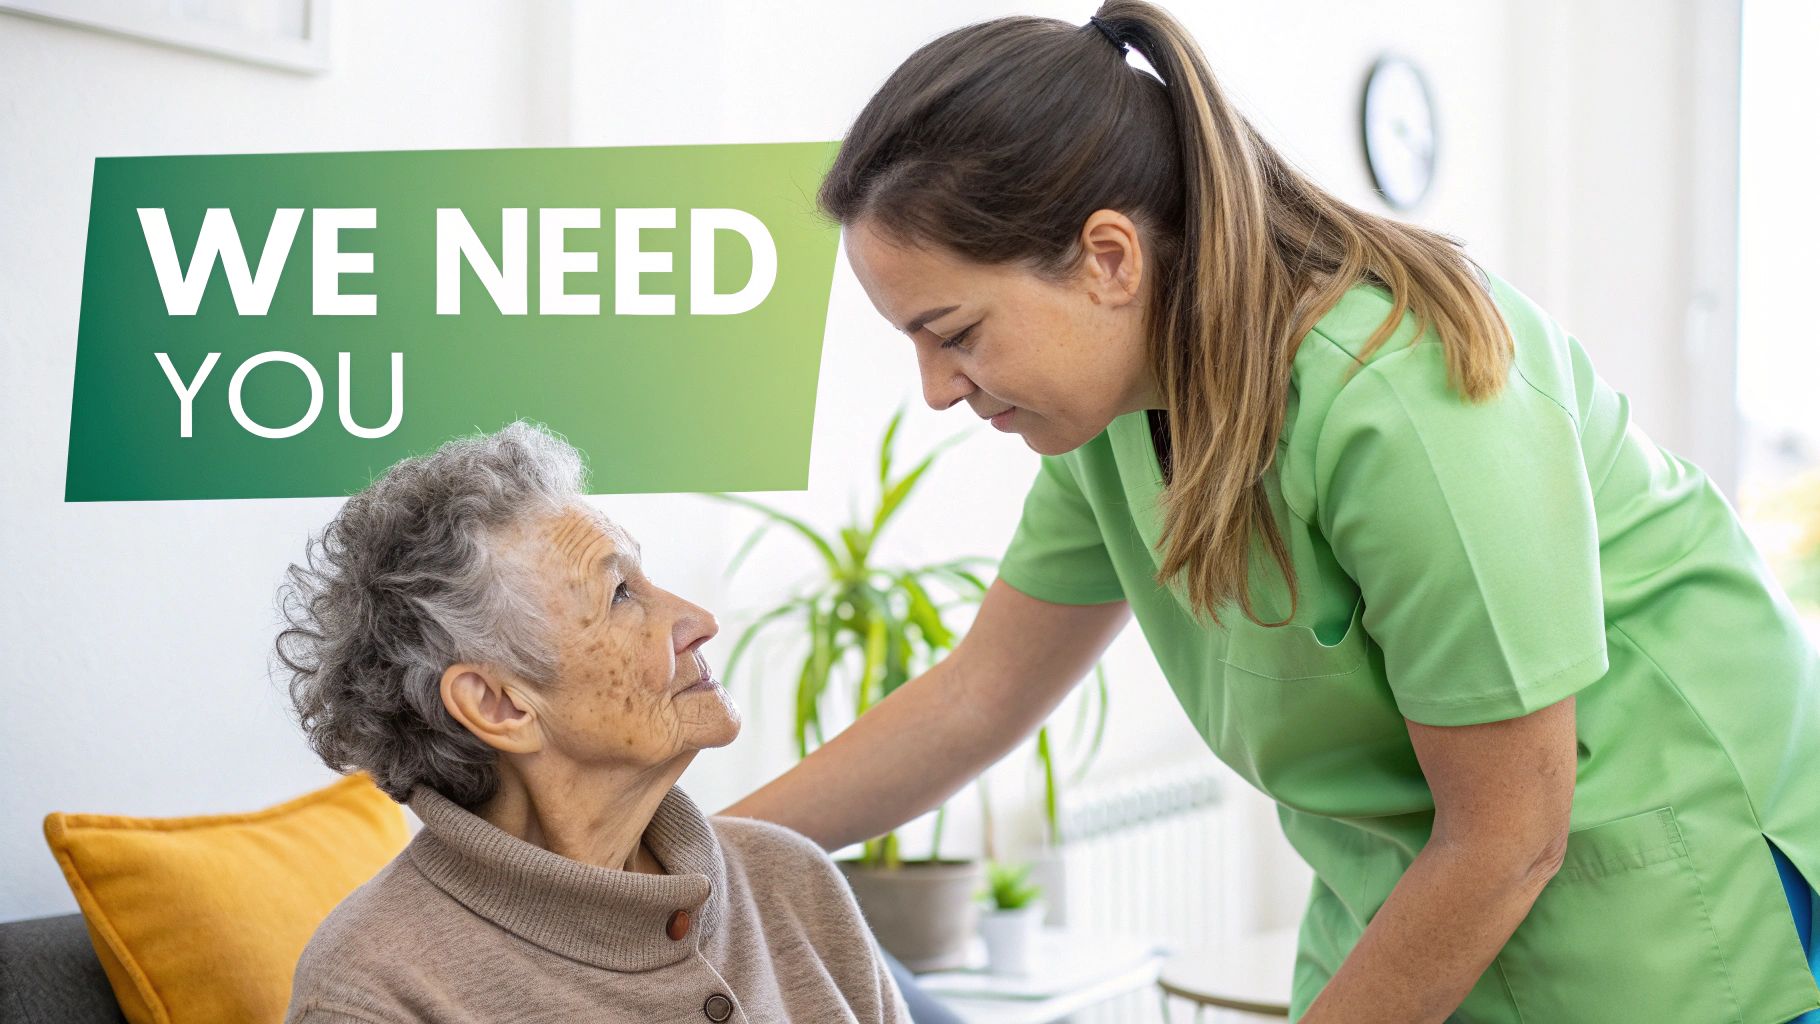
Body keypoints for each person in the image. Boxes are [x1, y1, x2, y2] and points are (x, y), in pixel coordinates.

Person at [717, 3, 1820, 1022]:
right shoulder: (1108, 418)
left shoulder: (1403, 391)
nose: (937, 388)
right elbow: (975, 698)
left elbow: (1506, 837)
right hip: (1413, 895)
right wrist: (689, 856)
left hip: (1662, 901)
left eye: (954, 332)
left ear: (1107, 258)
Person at [275, 422, 912, 1024]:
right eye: (620, 596)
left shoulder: (791, 880)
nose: (698, 620)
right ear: (501, 705)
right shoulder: (375, 992)